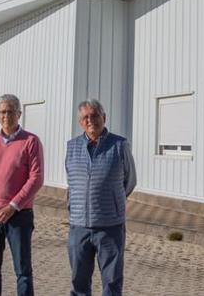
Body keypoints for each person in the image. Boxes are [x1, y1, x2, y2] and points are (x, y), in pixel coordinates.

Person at [0, 94, 45, 296]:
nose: (6, 115)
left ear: (19, 114)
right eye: (2, 112)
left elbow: (36, 178)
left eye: (11, 111)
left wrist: (12, 206)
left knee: (22, 270)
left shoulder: (31, 141)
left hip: (19, 216)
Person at [65, 99, 136, 296]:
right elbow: (72, 181)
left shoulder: (120, 145)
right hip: (79, 227)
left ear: (104, 118)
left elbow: (129, 181)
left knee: (112, 283)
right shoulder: (71, 147)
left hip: (109, 227)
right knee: (79, 283)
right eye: (85, 117)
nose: (91, 120)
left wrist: (114, 200)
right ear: (80, 122)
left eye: (95, 115)